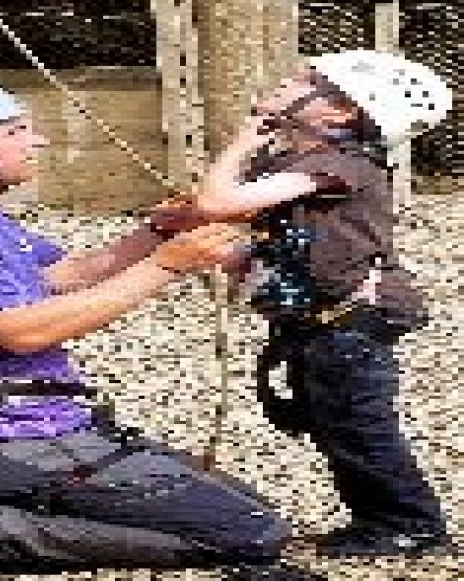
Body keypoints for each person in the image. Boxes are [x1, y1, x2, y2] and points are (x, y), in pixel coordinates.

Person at [0, 74, 329, 579]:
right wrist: (167, 265)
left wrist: (159, 231)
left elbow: (66, 276)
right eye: (16, 132)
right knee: (249, 532)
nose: (38, 141)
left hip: (30, 423)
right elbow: (24, 332)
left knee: (242, 506)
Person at [155, 49, 453, 558]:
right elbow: (242, 218)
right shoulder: (290, 163)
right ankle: (381, 520)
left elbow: (216, 202)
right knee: (334, 423)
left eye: (305, 80)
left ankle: (409, 525)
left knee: (359, 427)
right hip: (316, 322)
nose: (287, 82)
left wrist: (242, 140)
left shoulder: (340, 166)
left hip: (352, 320)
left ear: (341, 112)